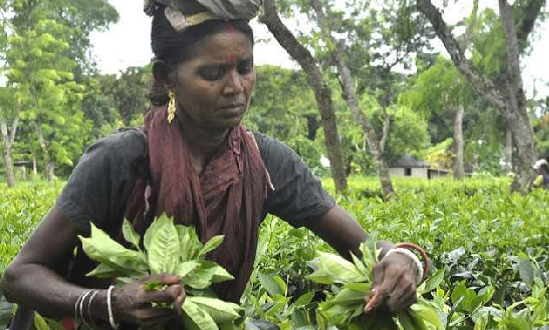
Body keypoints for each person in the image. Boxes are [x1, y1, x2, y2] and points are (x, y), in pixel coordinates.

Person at [0, 1, 426, 329]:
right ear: (166, 77)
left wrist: (402, 260)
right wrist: (109, 303)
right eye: (212, 73)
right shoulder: (119, 160)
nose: (235, 87)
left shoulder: (266, 160)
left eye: (245, 68)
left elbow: (365, 246)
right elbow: (20, 276)